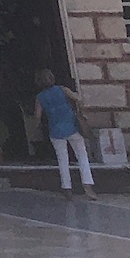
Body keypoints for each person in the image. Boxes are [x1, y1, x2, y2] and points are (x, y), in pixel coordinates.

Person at [35, 68, 96, 198]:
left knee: (62, 159)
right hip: (72, 127)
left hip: (55, 130)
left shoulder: (40, 97)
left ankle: (67, 188)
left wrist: (38, 127)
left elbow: (37, 116)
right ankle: (87, 186)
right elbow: (78, 98)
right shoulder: (62, 89)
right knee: (82, 155)